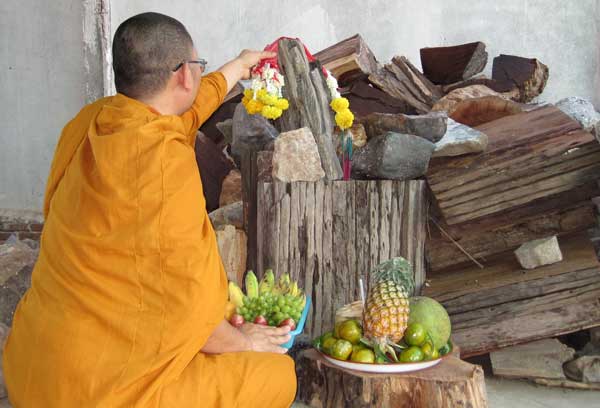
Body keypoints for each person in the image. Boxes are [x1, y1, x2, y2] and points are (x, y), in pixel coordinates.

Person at [3, 12, 297, 407]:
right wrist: (246, 340)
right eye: (198, 65)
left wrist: (237, 67)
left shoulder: (93, 121)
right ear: (182, 76)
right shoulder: (164, 168)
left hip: (34, 371)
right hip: (100, 393)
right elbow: (196, 314)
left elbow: (189, 109)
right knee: (277, 375)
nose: (199, 74)